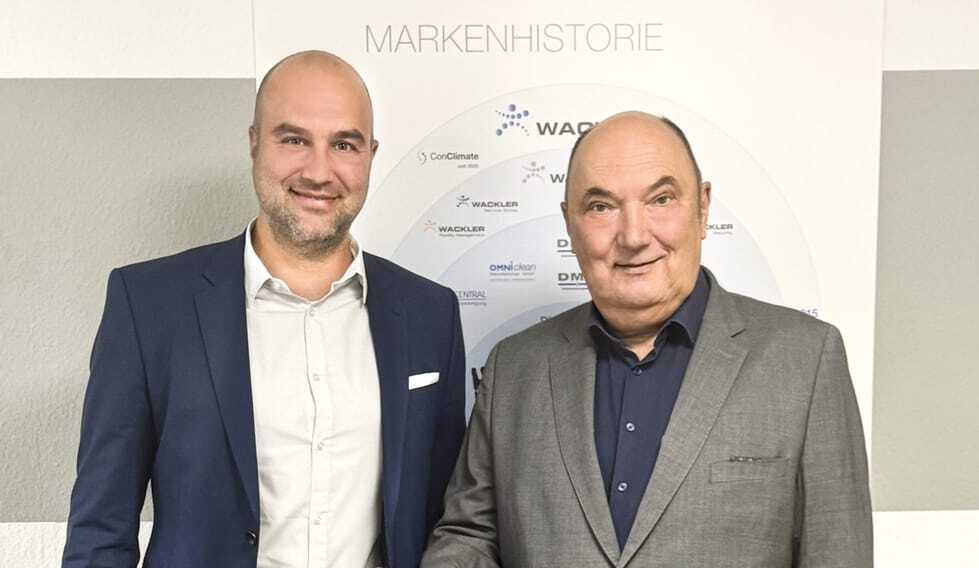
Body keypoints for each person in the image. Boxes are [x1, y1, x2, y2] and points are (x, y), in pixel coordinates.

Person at [63, 50, 466, 568]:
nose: (319, 171)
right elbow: (100, 531)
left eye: (344, 144)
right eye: (294, 140)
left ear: (370, 154)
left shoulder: (430, 313)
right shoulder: (149, 305)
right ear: (254, 143)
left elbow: (446, 523)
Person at [422, 111, 872, 567]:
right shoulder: (515, 368)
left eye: (661, 199)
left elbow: (837, 553)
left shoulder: (805, 360)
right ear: (569, 223)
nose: (634, 236)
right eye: (601, 207)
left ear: (702, 208)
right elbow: (470, 536)